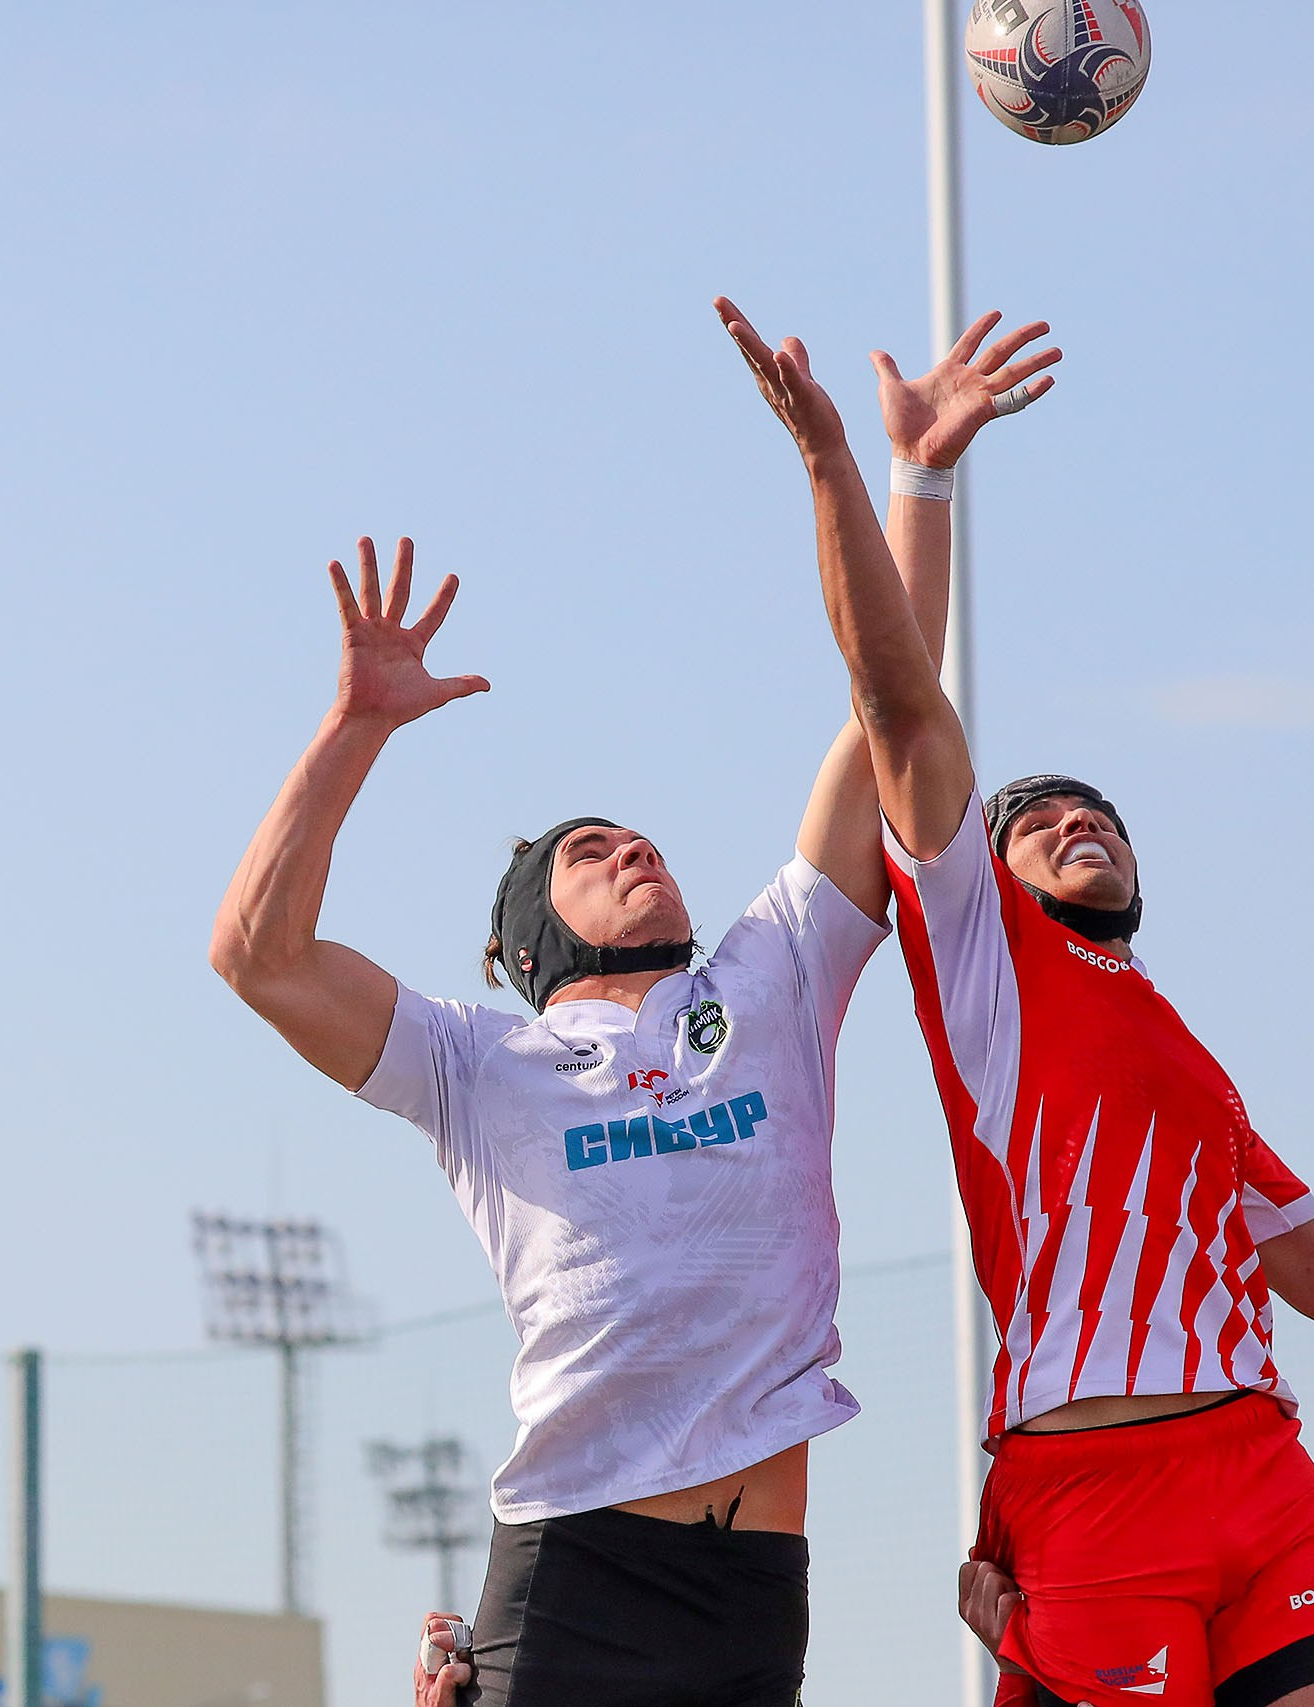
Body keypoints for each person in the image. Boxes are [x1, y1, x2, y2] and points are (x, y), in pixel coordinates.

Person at [717, 306, 1314, 1707]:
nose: (1071, 822)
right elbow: (902, 705)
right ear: (978, 875)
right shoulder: (986, 967)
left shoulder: (1193, 1066)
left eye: (1094, 812)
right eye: (1036, 819)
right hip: (1093, 1484)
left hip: (1257, 1467)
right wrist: (898, 478)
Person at [210, 309, 1060, 1707]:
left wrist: (911, 480)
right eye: (590, 854)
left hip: (751, 1594)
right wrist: (353, 728)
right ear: (539, 938)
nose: (634, 850)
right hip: (572, 1572)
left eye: (641, 837)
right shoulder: (479, 1061)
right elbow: (261, 955)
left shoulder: (772, 970)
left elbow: (890, 709)